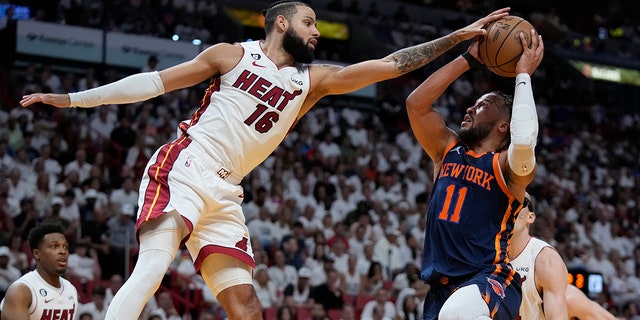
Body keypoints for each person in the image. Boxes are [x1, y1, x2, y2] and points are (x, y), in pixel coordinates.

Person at [19, 2, 511, 319]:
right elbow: (153, 84)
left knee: (247, 305)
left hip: (227, 192)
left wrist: (458, 42)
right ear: (281, 22)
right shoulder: (231, 55)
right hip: (186, 165)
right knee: (151, 270)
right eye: (309, 22)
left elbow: (388, 66)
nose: (316, 32)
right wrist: (72, 99)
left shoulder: (310, 82)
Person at [405, 20, 544, 319]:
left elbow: (523, 142)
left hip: (489, 280)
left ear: (502, 125)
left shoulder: (506, 167)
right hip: (440, 290)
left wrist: (523, 75)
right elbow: (416, 104)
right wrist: (468, 59)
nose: (469, 109)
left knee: (456, 313)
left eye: (482, 106)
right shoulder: (447, 150)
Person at [509, 193, 620, 320]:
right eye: (506, 202)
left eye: (518, 203)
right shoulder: (486, 253)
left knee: (570, 298)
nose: (511, 207)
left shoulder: (545, 260)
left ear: (531, 216)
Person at [0, 222, 79, 320]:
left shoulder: (71, 290)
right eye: (54, 246)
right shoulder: (21, 291)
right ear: (37, 254)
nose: (63, 251)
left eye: (65, 247)